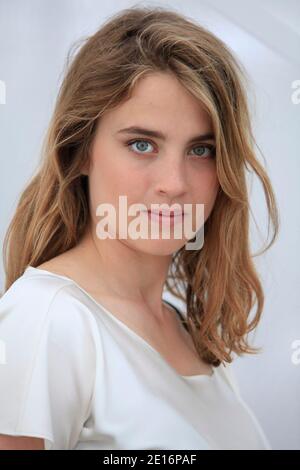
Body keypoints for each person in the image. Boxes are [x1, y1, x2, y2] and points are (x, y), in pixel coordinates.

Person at [0, 6, 279, 450]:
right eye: (142, 144)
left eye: (201, 150)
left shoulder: (187, 331)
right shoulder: (47, 318)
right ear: (81, 151)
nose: (174, 183)